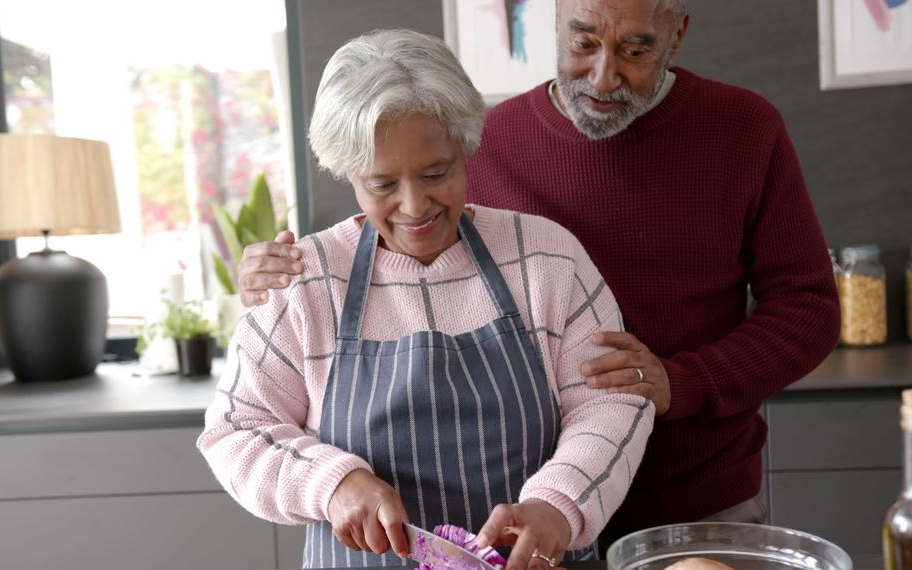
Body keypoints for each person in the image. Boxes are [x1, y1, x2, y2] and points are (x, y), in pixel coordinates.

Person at [236, 0, 840, 549]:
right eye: (583, 44)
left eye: (635, 50)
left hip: (688, 498)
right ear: (555, 20)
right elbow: (399, 229)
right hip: (543, 523)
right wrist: (269, 293)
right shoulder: (487, 139)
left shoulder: (743, 130)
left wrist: (678, 385)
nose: (603, 77)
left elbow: (808, 308)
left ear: (676, 35)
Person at [197, 29, 654, 570]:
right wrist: (331, 483)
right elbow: (237, 430)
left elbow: (611, 402)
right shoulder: (304, 280)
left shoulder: (546, 256)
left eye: (436, 174)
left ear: (465, 148)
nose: (414, 207)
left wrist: (557, 505)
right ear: (347, 172)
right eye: (382, 184)